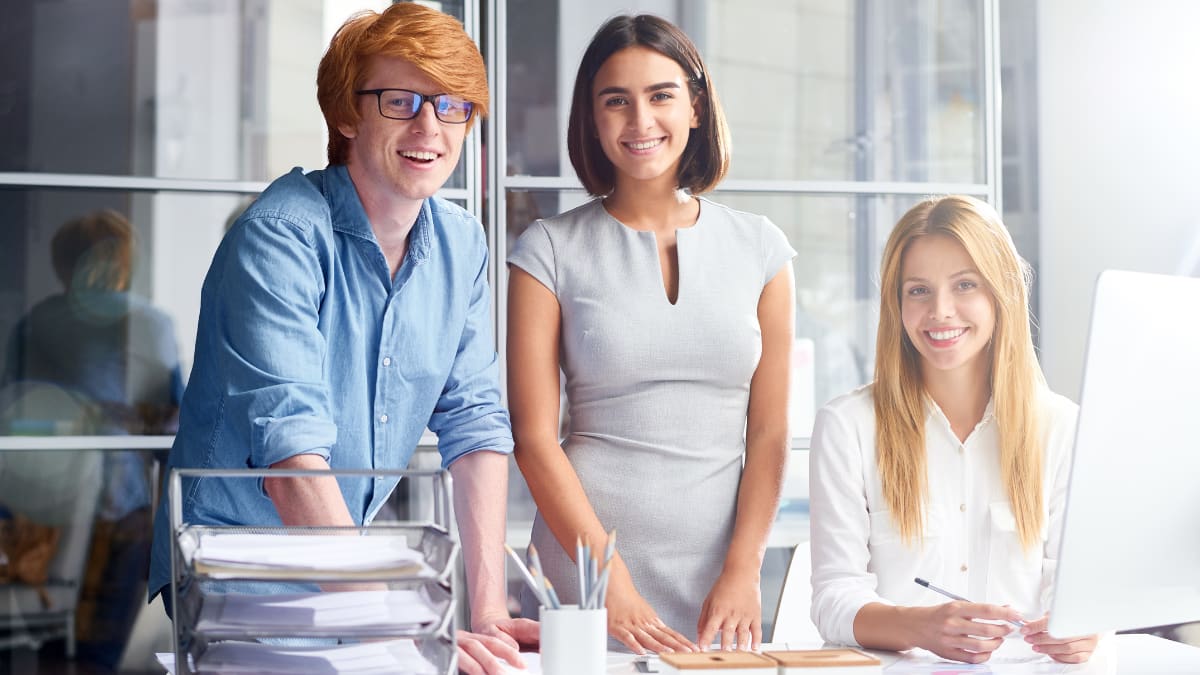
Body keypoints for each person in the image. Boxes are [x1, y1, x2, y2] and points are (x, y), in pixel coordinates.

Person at [145, 5, 536, 674]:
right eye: (400, 100)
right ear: (348, 115)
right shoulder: (280, 236)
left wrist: (489, 609)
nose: (428, 128)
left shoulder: (461, 244)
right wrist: (395, 625)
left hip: (345, 571)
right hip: (234, 575)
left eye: (451, 106)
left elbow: (475, 423)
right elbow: (292, 465)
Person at [506, 14, 795, 655]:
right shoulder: (547, 250)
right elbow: (532, 437)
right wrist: (605, 581)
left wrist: (745, 569)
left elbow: (770, 433)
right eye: (616, 101)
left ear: (695, 106)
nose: (640, 121)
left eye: (660, 95)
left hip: (723, 588)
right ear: (592, 118)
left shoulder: (763, 249)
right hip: (585, 581)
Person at [808, 195, 1100, 664]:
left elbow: (1075, 587)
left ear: (1001, 294)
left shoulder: (1062, 428)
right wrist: (918, 627)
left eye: (965, 285)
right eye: (918, 291)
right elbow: (833, 598)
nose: (941, 311)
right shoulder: (848, 426)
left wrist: (1082, 628)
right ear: (896, 303)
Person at [2, 208, 184, 667]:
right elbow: (174, 424)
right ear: (127, 263)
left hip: (43, 511)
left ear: (62, 263)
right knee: (102, 648)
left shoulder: (36, 321)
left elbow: (12, 411)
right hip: (122, 507)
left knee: (49, 639)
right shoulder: (149, 323)